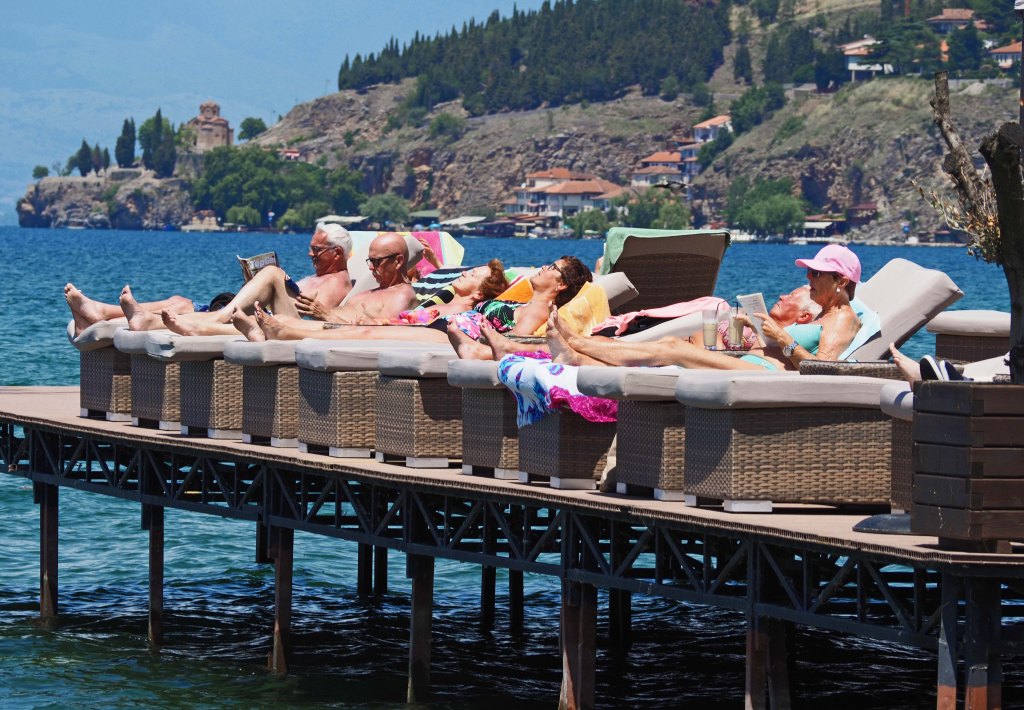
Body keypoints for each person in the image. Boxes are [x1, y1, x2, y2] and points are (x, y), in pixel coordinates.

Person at [527, 244, 862, 372]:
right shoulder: (822, 314)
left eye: (817, 273)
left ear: (842, 281)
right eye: (809, 271)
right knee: (670, 351)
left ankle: (579, 342)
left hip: (765, 376)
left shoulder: (843, 319)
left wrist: (781, 337)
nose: (808, 277)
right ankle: (576, 357)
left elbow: (824, 370)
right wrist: (755, 329)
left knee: (672, 347)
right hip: (752, 364)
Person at [64, 223, 354, 336]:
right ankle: (99, 314)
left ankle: (116, 318)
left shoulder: (338, 282)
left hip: (270, 323)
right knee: (180, 302)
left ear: (337, 254)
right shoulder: (318, 277)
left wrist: (274, 281)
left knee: (274, 273)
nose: (310, 254)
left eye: (317, 250)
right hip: (249, 312)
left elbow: (312, 318)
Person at [247, 255, 592, 344]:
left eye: (551, 267)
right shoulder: (527, 304)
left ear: (560, 284)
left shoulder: (540, 312)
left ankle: (288, 331)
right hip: (448, 328)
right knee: (367, 330)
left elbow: (512, 338)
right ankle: (287, 326)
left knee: (367, 335)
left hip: (454, 336)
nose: (543, 268)